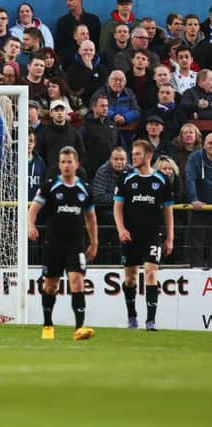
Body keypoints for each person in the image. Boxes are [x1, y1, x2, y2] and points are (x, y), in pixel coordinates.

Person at [28, 146, 98, 340]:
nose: (66, 165)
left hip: (76, 244)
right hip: (53, 243)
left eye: (70, 162)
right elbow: (33, 209)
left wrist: (94, 243)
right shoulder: (50, 186)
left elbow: (91, 218)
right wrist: (30, 226)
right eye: (63, 162)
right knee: (51, 285)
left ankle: (79, 328)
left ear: (77, 164)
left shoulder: (84, 188)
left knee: (77, 282)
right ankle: (48, 325)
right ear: (59, 165)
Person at [113, 140, 174, 331]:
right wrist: (121, 229)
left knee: (151, 273)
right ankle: (132, 317)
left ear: (148, 156)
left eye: (138, 154)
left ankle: (150, 321)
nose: (134, 157)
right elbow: (118, 208)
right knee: (130, 279)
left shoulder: (162, 180)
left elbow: (168, 210)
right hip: (130, 236)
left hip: (152, 235)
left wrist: (170, 237)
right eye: (133, 153)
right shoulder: (126, 179)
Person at [185, 133, 212, 267]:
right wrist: (194, 199)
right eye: (210, 143)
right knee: (197, 245)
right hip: (199, 209)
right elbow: (190, 179)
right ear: (204, 144)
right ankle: (195, 275)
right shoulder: (194, 157)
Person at [80, 95, 123, 178]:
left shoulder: (112, 125)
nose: (105, 108)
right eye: (102, 106)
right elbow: (80, 149)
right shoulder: (85, 127)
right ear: (94, 107)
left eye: (107, 106)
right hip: (92, 172)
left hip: (112, 171)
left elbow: (120, 146)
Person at [35, 100, 85, 170]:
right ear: (51, 113)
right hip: (50, 175)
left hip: (70, 174)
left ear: (66, 112)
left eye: (62, 110)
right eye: (56, 110)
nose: (60, 113)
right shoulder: (43, 133)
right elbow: (39, 155)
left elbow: (81, 154)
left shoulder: (74, 133)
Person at [67, 40, 109, 105]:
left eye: (91, 50)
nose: (88, 52)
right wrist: (89, 70)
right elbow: (76, 86)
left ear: (94, 52)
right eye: (85, 50)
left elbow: (103, 87)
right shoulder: (72, 69)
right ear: (79, 51)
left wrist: (86, 87)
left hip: (100, 102)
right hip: (81, 103)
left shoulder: (102, 69)